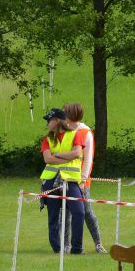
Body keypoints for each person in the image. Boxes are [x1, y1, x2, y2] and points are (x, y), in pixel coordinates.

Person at [39, 108, 85, 254]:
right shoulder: (47, 139)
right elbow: (47, 159)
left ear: (57, 120)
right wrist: (68, 156)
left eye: (49, 120)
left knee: (79, 212)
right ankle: (57, 249)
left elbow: (77, 153)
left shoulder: (74, 135)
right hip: (51, 181)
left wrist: (57, 155)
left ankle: (76, 248)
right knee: (53, 216)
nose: (47, 123)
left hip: (70, 181)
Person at [62, 103, 106, 253]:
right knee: (65, 212)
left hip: (81, 180)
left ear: (71, 115)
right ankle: (66, 245)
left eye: (65, 113)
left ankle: (98, 244)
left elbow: (88, 159)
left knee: (86, 211)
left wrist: (82, 179)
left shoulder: (85, 132)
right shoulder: (64, 130)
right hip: (65, 178)